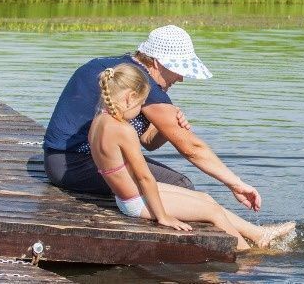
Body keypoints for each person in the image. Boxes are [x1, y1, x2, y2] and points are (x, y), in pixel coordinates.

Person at [43, 25, 263, 212]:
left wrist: (165, 129)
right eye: (178, 68)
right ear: (157, 62)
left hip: (57, 161)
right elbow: (192, 148)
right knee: (181, 185)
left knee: (174, 186)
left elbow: (148, 141)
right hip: (76, 167)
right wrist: (236, 184)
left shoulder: (115, 68)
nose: (181, 77)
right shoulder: (143, 86)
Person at [88, 63, 294, 250]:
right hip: (136, 201)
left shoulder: (98, 121)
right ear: (130, 97)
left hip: (130, 195)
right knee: (212, 212)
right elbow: (144, 177)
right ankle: (249, 258)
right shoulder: (123, 130)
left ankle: (259, 235)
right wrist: (163, 216)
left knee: (206, 199)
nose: (141, 109)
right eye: (141, 103)